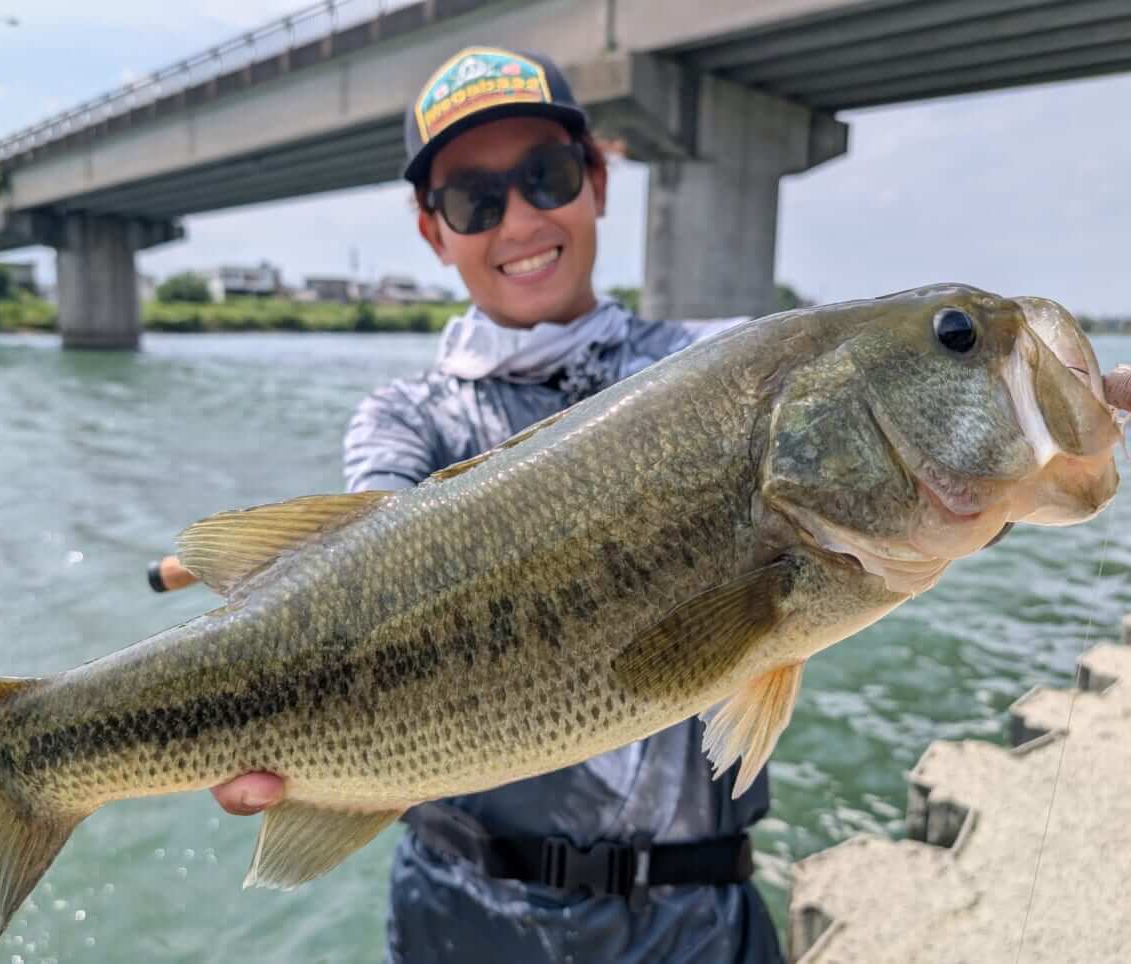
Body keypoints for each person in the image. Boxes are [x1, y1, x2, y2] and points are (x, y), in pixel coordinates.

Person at [207, 46, 784, 963]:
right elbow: (372, 553)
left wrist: (1037, 428)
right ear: (434, 232)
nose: (517, 219)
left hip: (700, 921)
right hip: (461, 917)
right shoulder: (408, 418)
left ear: (597, 180)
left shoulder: (725, 372)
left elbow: (918, 482)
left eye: (544, 176)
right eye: (475, 200)